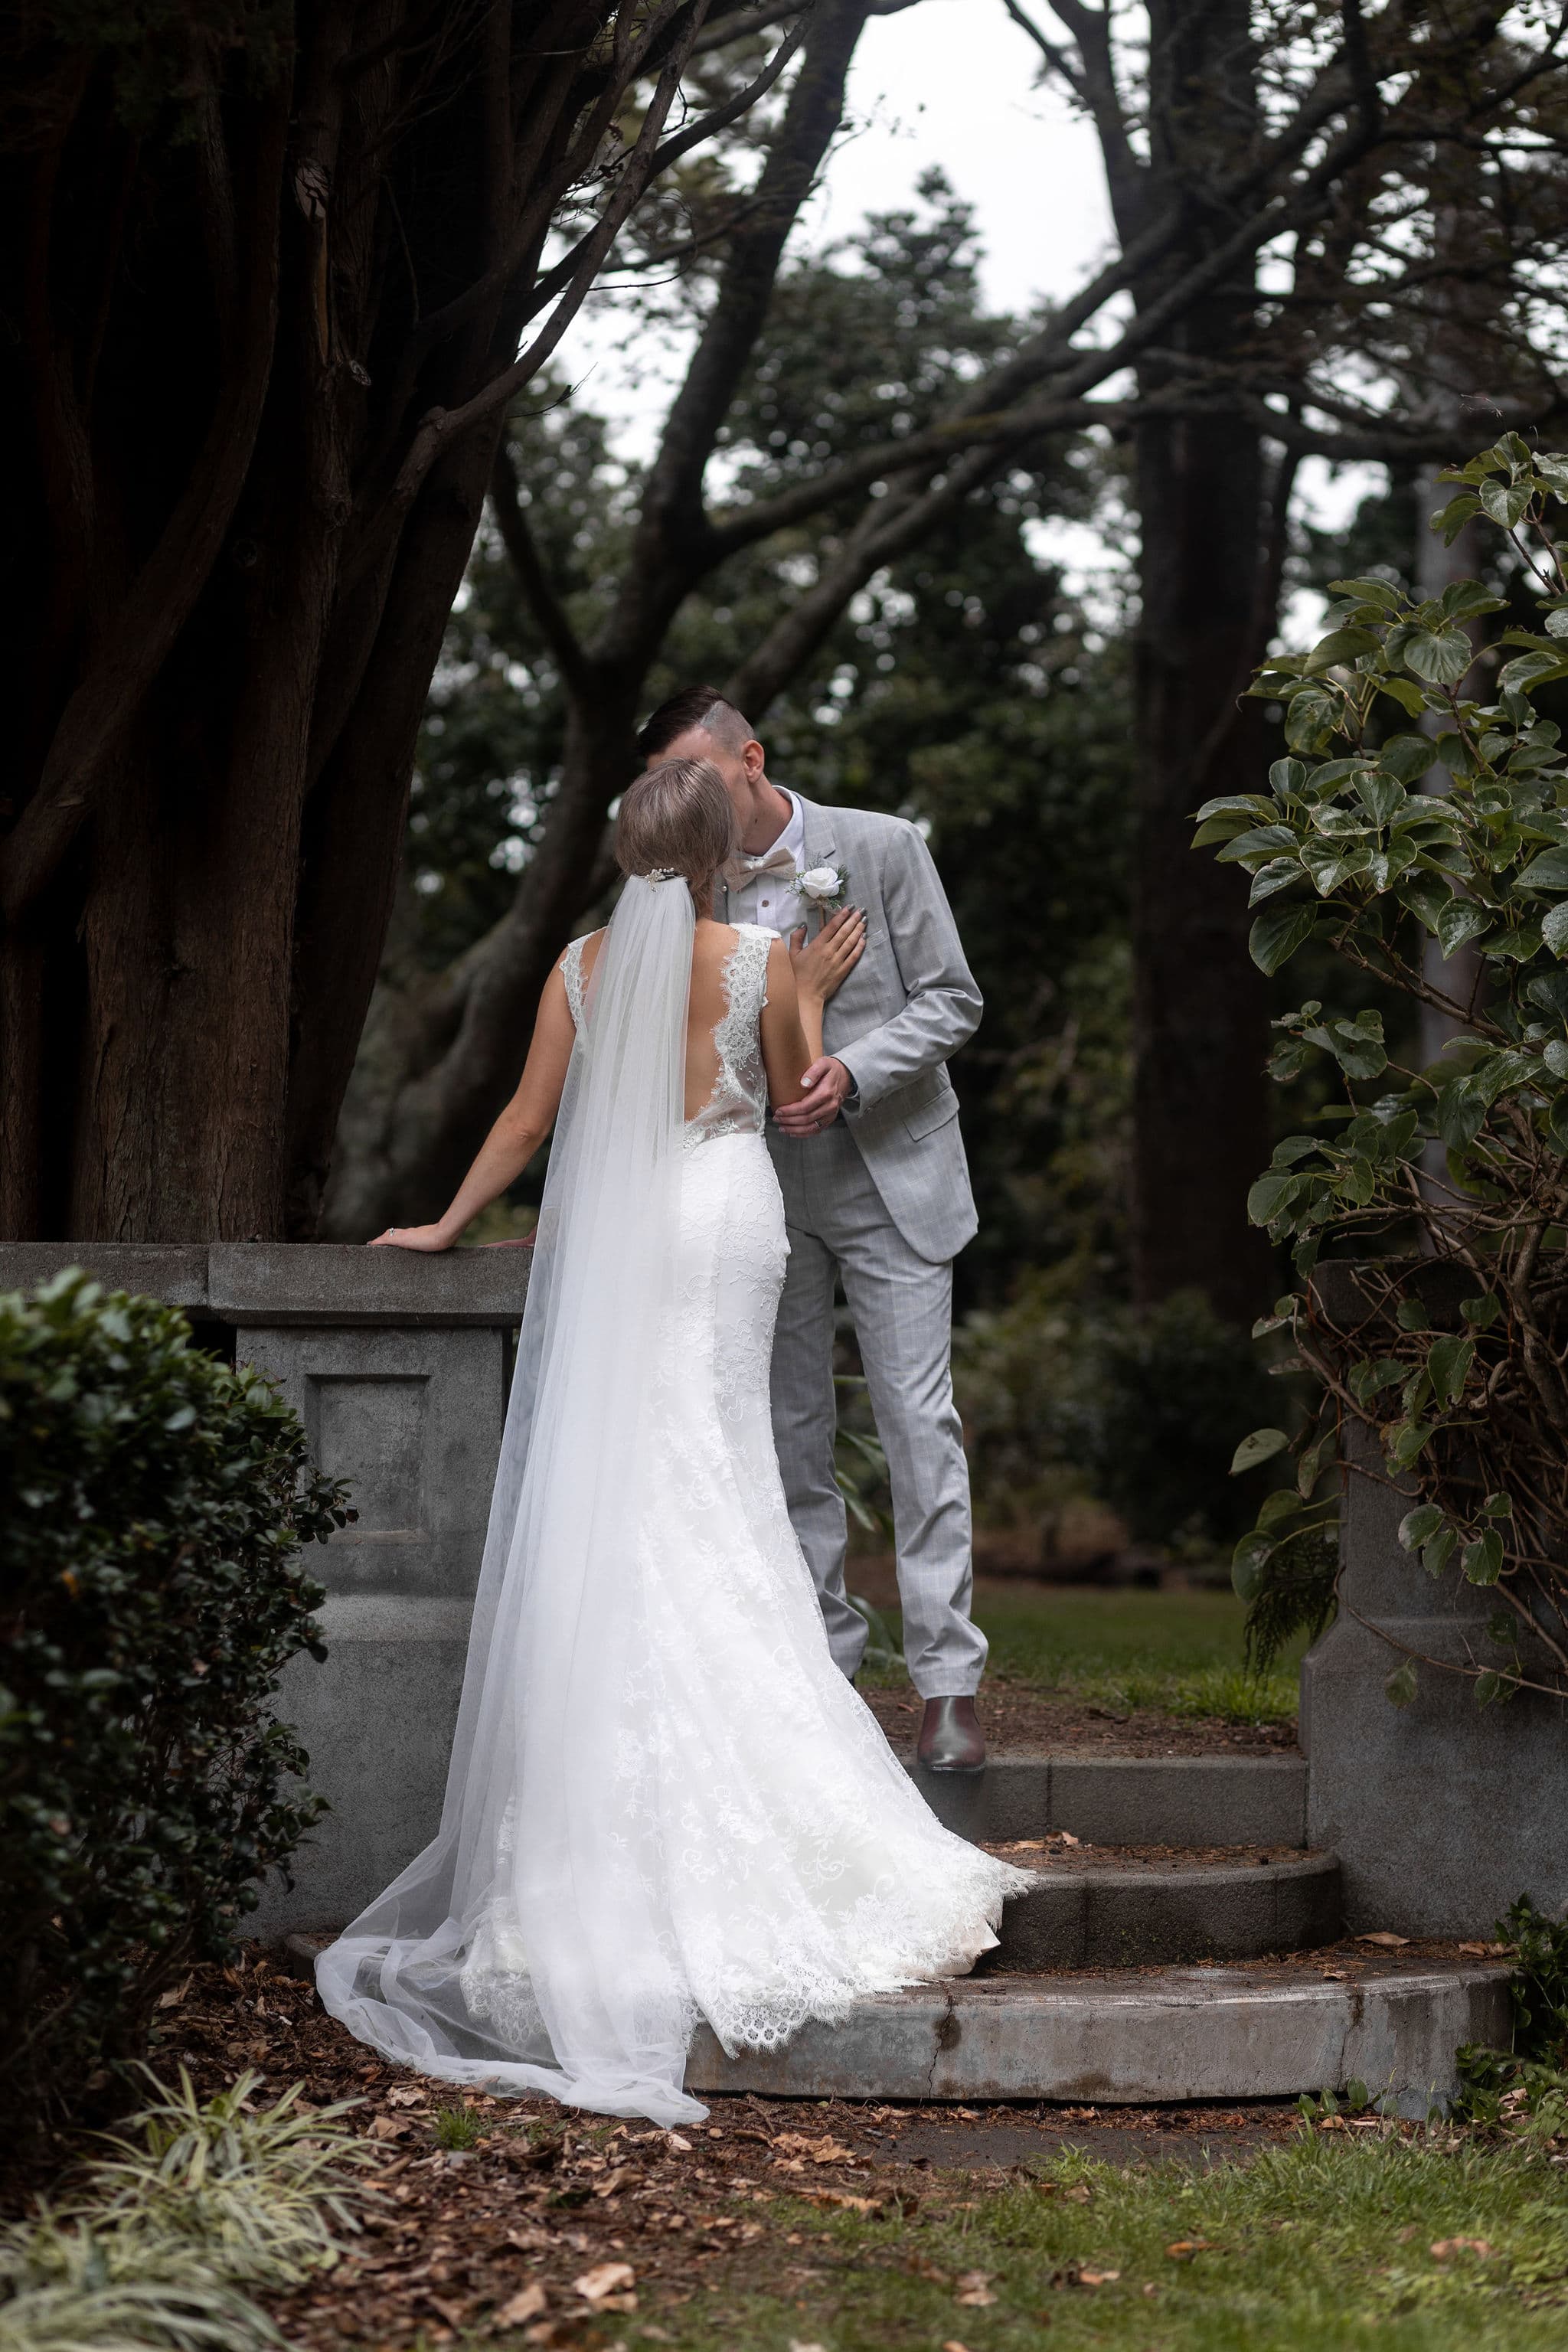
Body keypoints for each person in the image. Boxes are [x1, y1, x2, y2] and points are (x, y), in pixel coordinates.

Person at [315, 757, 1030, 2126]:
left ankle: (598, 1832)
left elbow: (529, 1122)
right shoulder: (759, 955)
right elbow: (792, 1085)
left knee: (641, 1473)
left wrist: (448, 1225)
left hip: (626, 1240)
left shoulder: (582, 966)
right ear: (716, 855)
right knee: (729, 1466)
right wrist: (809, 991)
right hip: (725, 1219)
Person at [637, 688, 989, 1771]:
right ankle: (824, 1669)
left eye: (704, 775)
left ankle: (947, 1683)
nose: (691, 799)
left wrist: (854, 1067)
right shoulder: (681, 882)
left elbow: (950, 1000)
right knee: (788, 1430)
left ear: (752, 759)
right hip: (760, 1190)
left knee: (915, 1421)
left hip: (891, 1179)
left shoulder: (879, 849)